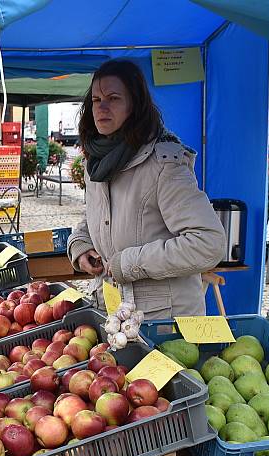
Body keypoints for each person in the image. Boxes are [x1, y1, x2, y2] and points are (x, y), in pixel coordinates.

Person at [67, 59, 226, 319]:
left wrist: (128, 263)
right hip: (116, 313)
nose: (102, 107)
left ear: (135, 105)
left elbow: (207, 242)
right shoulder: (95, 162)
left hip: (164, 321)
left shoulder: (164, 164)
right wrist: (81, 244)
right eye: (96, 99)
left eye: (113, 98)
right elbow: (101, 214)